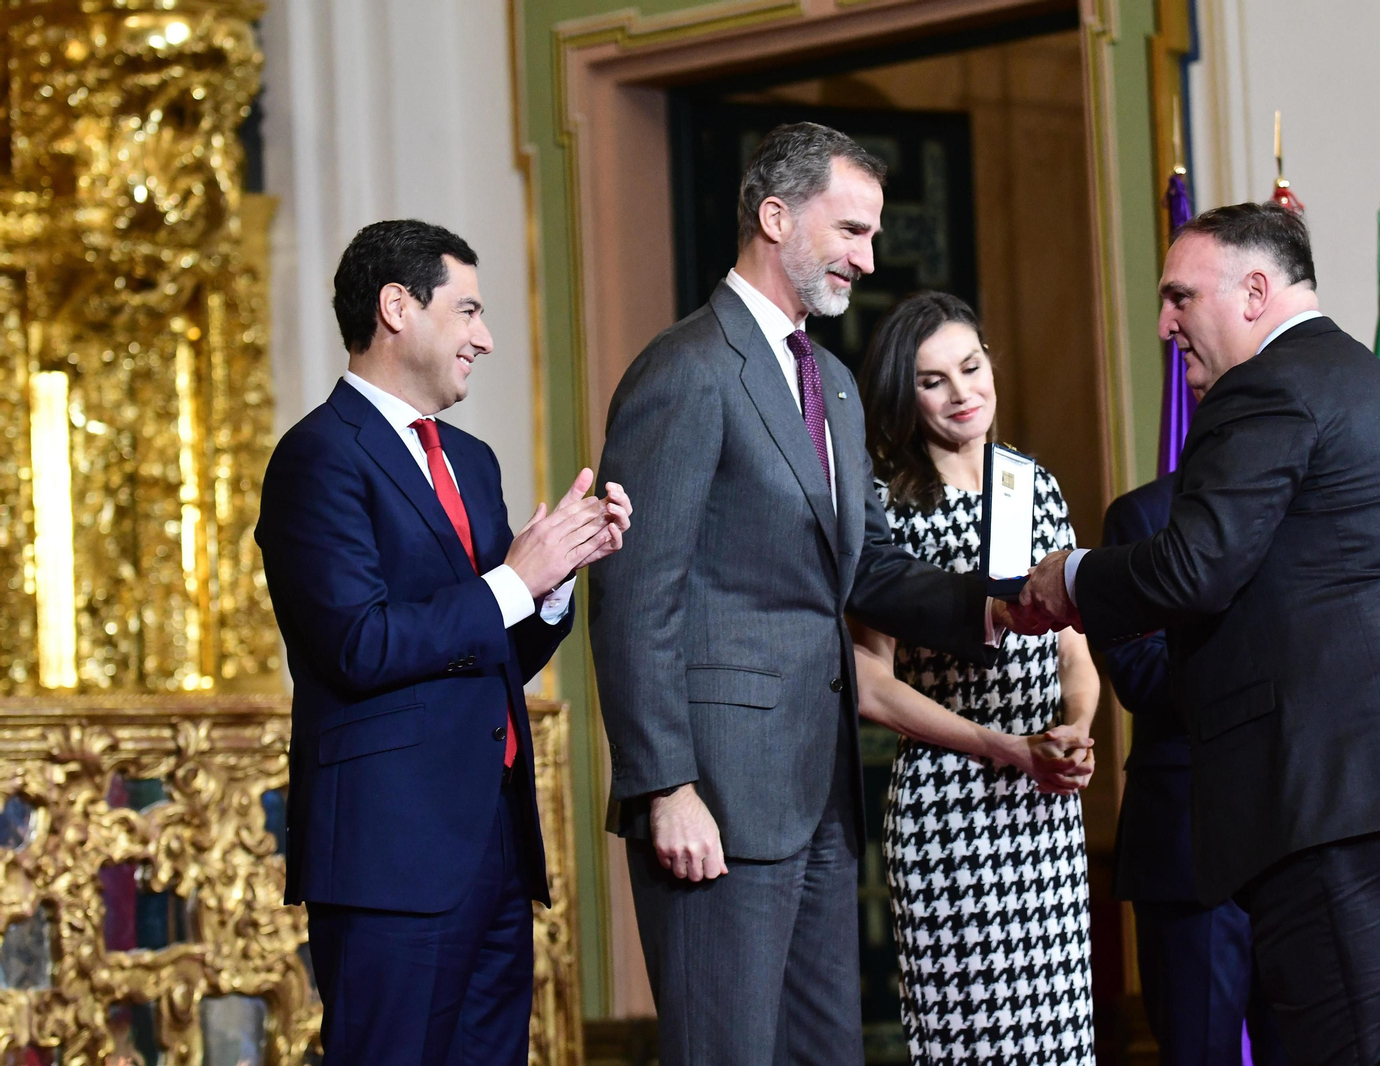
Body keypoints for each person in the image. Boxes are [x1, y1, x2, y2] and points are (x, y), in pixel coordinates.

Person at [1018, 201, 1380, 1064]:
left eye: (1180, 296)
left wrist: (1070, 578)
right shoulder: (1367, 383)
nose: (1164, 323)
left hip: (1347, 798)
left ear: (1254, 291)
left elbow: (1195, 566)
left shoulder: (1267, 384)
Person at [589, 124, 1026, 1066]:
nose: (870, 259)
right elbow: (634, 596)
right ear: (775, 215)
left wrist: (998, 604)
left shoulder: (827, 378)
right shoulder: (687, 369)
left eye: (873, 236)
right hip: (717, 798)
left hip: (820, 790)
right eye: (853, 232)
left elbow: (863, 570)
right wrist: (666, 785)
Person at [255, 220, 631, 1065]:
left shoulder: (471, 459)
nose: (485, 338)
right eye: (468, 311)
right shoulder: (317, 457)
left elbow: (497, 653)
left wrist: (561, 572)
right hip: (390, 854)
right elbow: (359, 644)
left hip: (493, 846)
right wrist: (513, 580)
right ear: (397, 307)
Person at [852, 292, 1097, 1064]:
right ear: (905, 395)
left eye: (970, 366)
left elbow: (1076, 651)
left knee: (1059, 1043)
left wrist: (1075, 731)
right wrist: (1002, 746)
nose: (963, 393)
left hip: (1044, 806)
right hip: (950, 805)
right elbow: (868, 683)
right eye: (934, 381)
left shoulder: (1036, 487)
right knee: (971, 1045)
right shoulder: (886, 509)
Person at [1101, 474, 1284, 1066]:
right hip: (1188, 848)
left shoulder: (1314, 505)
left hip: (1305, 840)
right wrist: (1270, 663)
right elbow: (1137, 669)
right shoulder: (1142, 516)